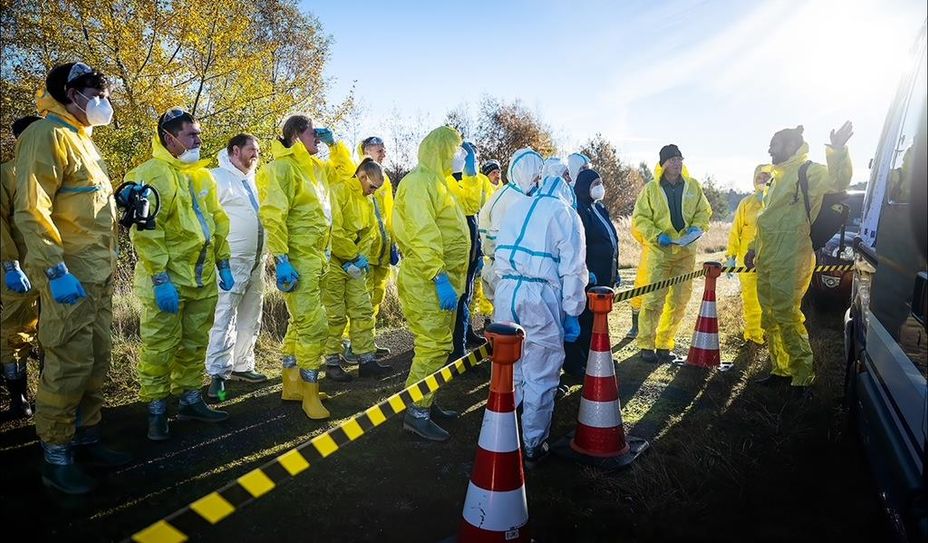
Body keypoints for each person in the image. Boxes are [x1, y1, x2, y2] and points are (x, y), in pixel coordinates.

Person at [14, 62, 129, 494]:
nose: (103, 101)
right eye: (96, 92)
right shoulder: (45, 135)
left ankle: (88, 437)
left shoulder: (83, 140)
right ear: (70, 93)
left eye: (105, 92)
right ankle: (57, 456)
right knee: (67, 363)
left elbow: (86, 207)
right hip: (68, 274)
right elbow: (31, 208)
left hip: (98, 275)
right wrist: (55, 268)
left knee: (96, 360)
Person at [127, 107, 233, 440]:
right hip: (169, 282)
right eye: (191, 135)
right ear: (169, 137)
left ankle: (190, 399)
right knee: (160, 347)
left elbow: (216, 222)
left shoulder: (202, 175)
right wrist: (160, 279)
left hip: (201, 281)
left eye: (198, 134)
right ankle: (157, 411)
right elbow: (145, 232)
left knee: (195, 343)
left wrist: (224, 263)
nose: (198, 140)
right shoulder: (148, 174)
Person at [493, 148, 587, 465]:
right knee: (542, 372)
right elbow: (573, 269)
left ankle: (501, 432)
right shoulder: (564, 213)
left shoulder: (518, 206)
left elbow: (498, 255)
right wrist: (573, 311)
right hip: (540, 298)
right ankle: (533, 444)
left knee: (510, 369)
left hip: (507, 293)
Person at [747, 123, 853, 397]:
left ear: (792, 145)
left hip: (793, 256)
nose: (770, 149)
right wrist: (752, 248)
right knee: (769, 316)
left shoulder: (810, 171)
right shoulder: (775, 178)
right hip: (768, 257)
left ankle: (803, 376)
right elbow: (766, 221)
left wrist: (838, 149)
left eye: (776, 144)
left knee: (787, 314)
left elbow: (840, 181)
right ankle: (780, 370)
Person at [258, 115, 353, 419]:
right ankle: (310, 391)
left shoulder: (315, 169)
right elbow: (273, 215)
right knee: (314, 326)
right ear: (297, 135)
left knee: (298, 323)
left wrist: (335, 145)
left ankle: (291, 384)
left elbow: (347, 174)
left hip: (318, 258)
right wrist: (282, 259)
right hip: (298, 260)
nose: (318, 137)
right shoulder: (280, 169)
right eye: (314, 132)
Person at [393, 126, 470, 441]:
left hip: (443, 278)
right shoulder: (419, 183)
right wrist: (438, 276)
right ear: (442, 151)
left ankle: (427, 399)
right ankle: (416, 413)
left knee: (441, 346)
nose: (462, 156)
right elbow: (423, 233)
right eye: (457, 149)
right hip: (428, 279)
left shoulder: (440, 183)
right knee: (432, 346)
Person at [632, 144, 711, 363]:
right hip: (660, 251)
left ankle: (665, 344)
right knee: (653, 299)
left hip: (686, 251)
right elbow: (640, 218)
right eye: (672, 159)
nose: (677, 163)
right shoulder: (651, 189)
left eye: (679, 158)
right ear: (663, 163)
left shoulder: (693, 186)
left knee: (679, 300)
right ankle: (646, 345)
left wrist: (697, 228)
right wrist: (657, 235)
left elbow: (703, 212)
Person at [204, 134, 268, 401]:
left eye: (258, 151)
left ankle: (243, 365)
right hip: (231, 262)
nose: (256, 155)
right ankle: (217, 375)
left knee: (251, 315)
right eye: (251, 150)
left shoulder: (255, 180)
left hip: (257, 262)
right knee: (225, 316)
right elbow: (207, 217)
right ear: (234, 150)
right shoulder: (216, 177)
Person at [322, 158, 392, 378]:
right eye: (372, 186)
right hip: (333, 261)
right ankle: (332, 362)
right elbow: (334, 230)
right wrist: (351, 256)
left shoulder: (366, 199)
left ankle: (366, 359)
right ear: (362, 176)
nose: (373, 192)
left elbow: (370, 232)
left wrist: (358, 257)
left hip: (354, 263)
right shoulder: (338, 191)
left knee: (362, 309)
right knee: (335, 314)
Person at [2, 115, 42, 420]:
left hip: (56, 269)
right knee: (16, 332)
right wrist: (9, 264)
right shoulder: (7, 174)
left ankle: (53, 395)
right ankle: (19, 398)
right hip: (20, 270)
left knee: (56, 333)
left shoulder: (53, 173)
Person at [342, 136, 395, 362]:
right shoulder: (354, 176)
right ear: (365, 150)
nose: (383, 151)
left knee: (374, 300)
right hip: (363, 250)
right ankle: (348, 345)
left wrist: (393, 242)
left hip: (382, 249)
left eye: (384, 148)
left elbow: (388, 213)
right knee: (356, 302)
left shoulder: (385, 180)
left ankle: (366, 342)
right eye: (378, 148)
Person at [563, 169, 619, 375]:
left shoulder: (599, 208)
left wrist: (616, 270)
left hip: (606, 276)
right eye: (595, 183)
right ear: (585, 186)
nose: (600, 187)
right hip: (589, 278)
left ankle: (597, 357)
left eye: (601, 182)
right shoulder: (579, 210)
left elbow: (612, 239)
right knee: (583, 321)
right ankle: (576, 364)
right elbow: (579, 246)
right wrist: (586, 271)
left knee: (599, 321)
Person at [477, 148, 542, 306]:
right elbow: (494, 239)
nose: (537, 180)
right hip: (504, 271)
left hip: (516, 271)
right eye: (535, 175)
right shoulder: (509, 197)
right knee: (506, 321)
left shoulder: (524, 196)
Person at [725, 164, 771, 346]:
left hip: (770, 258)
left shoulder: (777, 202)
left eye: (767, 176)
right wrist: (730, 256)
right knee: (751, 300)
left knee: (769, 300)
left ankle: (770, 336)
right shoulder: (746, 203)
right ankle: (753, 336)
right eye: (760, 176)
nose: (763, 179)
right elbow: (735, 231)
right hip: (746, 259)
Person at [448, 142, 484, 360]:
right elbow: (469, 207)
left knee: (466, 298)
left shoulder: (459, 181)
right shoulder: (449, 183)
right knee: (460, 301)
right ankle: (456, 350)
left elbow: (474, 212)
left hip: (470, 252)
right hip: (458, 256)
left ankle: (463, 337)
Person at [471, 159, 502, 318]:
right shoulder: (483, 188)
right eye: (493, 173)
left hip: (498, 243)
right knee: (481, 280)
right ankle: (481, 316)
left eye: (498, 172)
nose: (497, 175)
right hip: (482, 240)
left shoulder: (503, 190)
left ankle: (489, 315)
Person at [625, 223, 648, 339]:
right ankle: (635, 326)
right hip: (650, 252)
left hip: (670, 254)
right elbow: (637, 226)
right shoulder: (645, 205)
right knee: (639, 290)